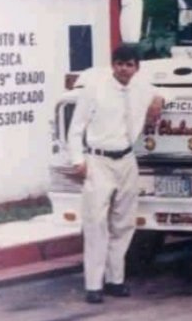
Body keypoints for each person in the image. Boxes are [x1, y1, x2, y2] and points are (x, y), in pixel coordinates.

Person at [68, 44, 165, 304]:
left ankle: (115, 280)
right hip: (97, 161)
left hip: (126, 161)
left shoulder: (141, 87)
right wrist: (78, 160)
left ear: (136, 67)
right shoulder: (95, 90)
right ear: (113, 65)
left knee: (124, 223)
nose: (124, 68)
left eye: (129, 64)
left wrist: (158, 100)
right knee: (96, 223)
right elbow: (76, 127)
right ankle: (93, 285)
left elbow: (166, 93)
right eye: (119, 63)